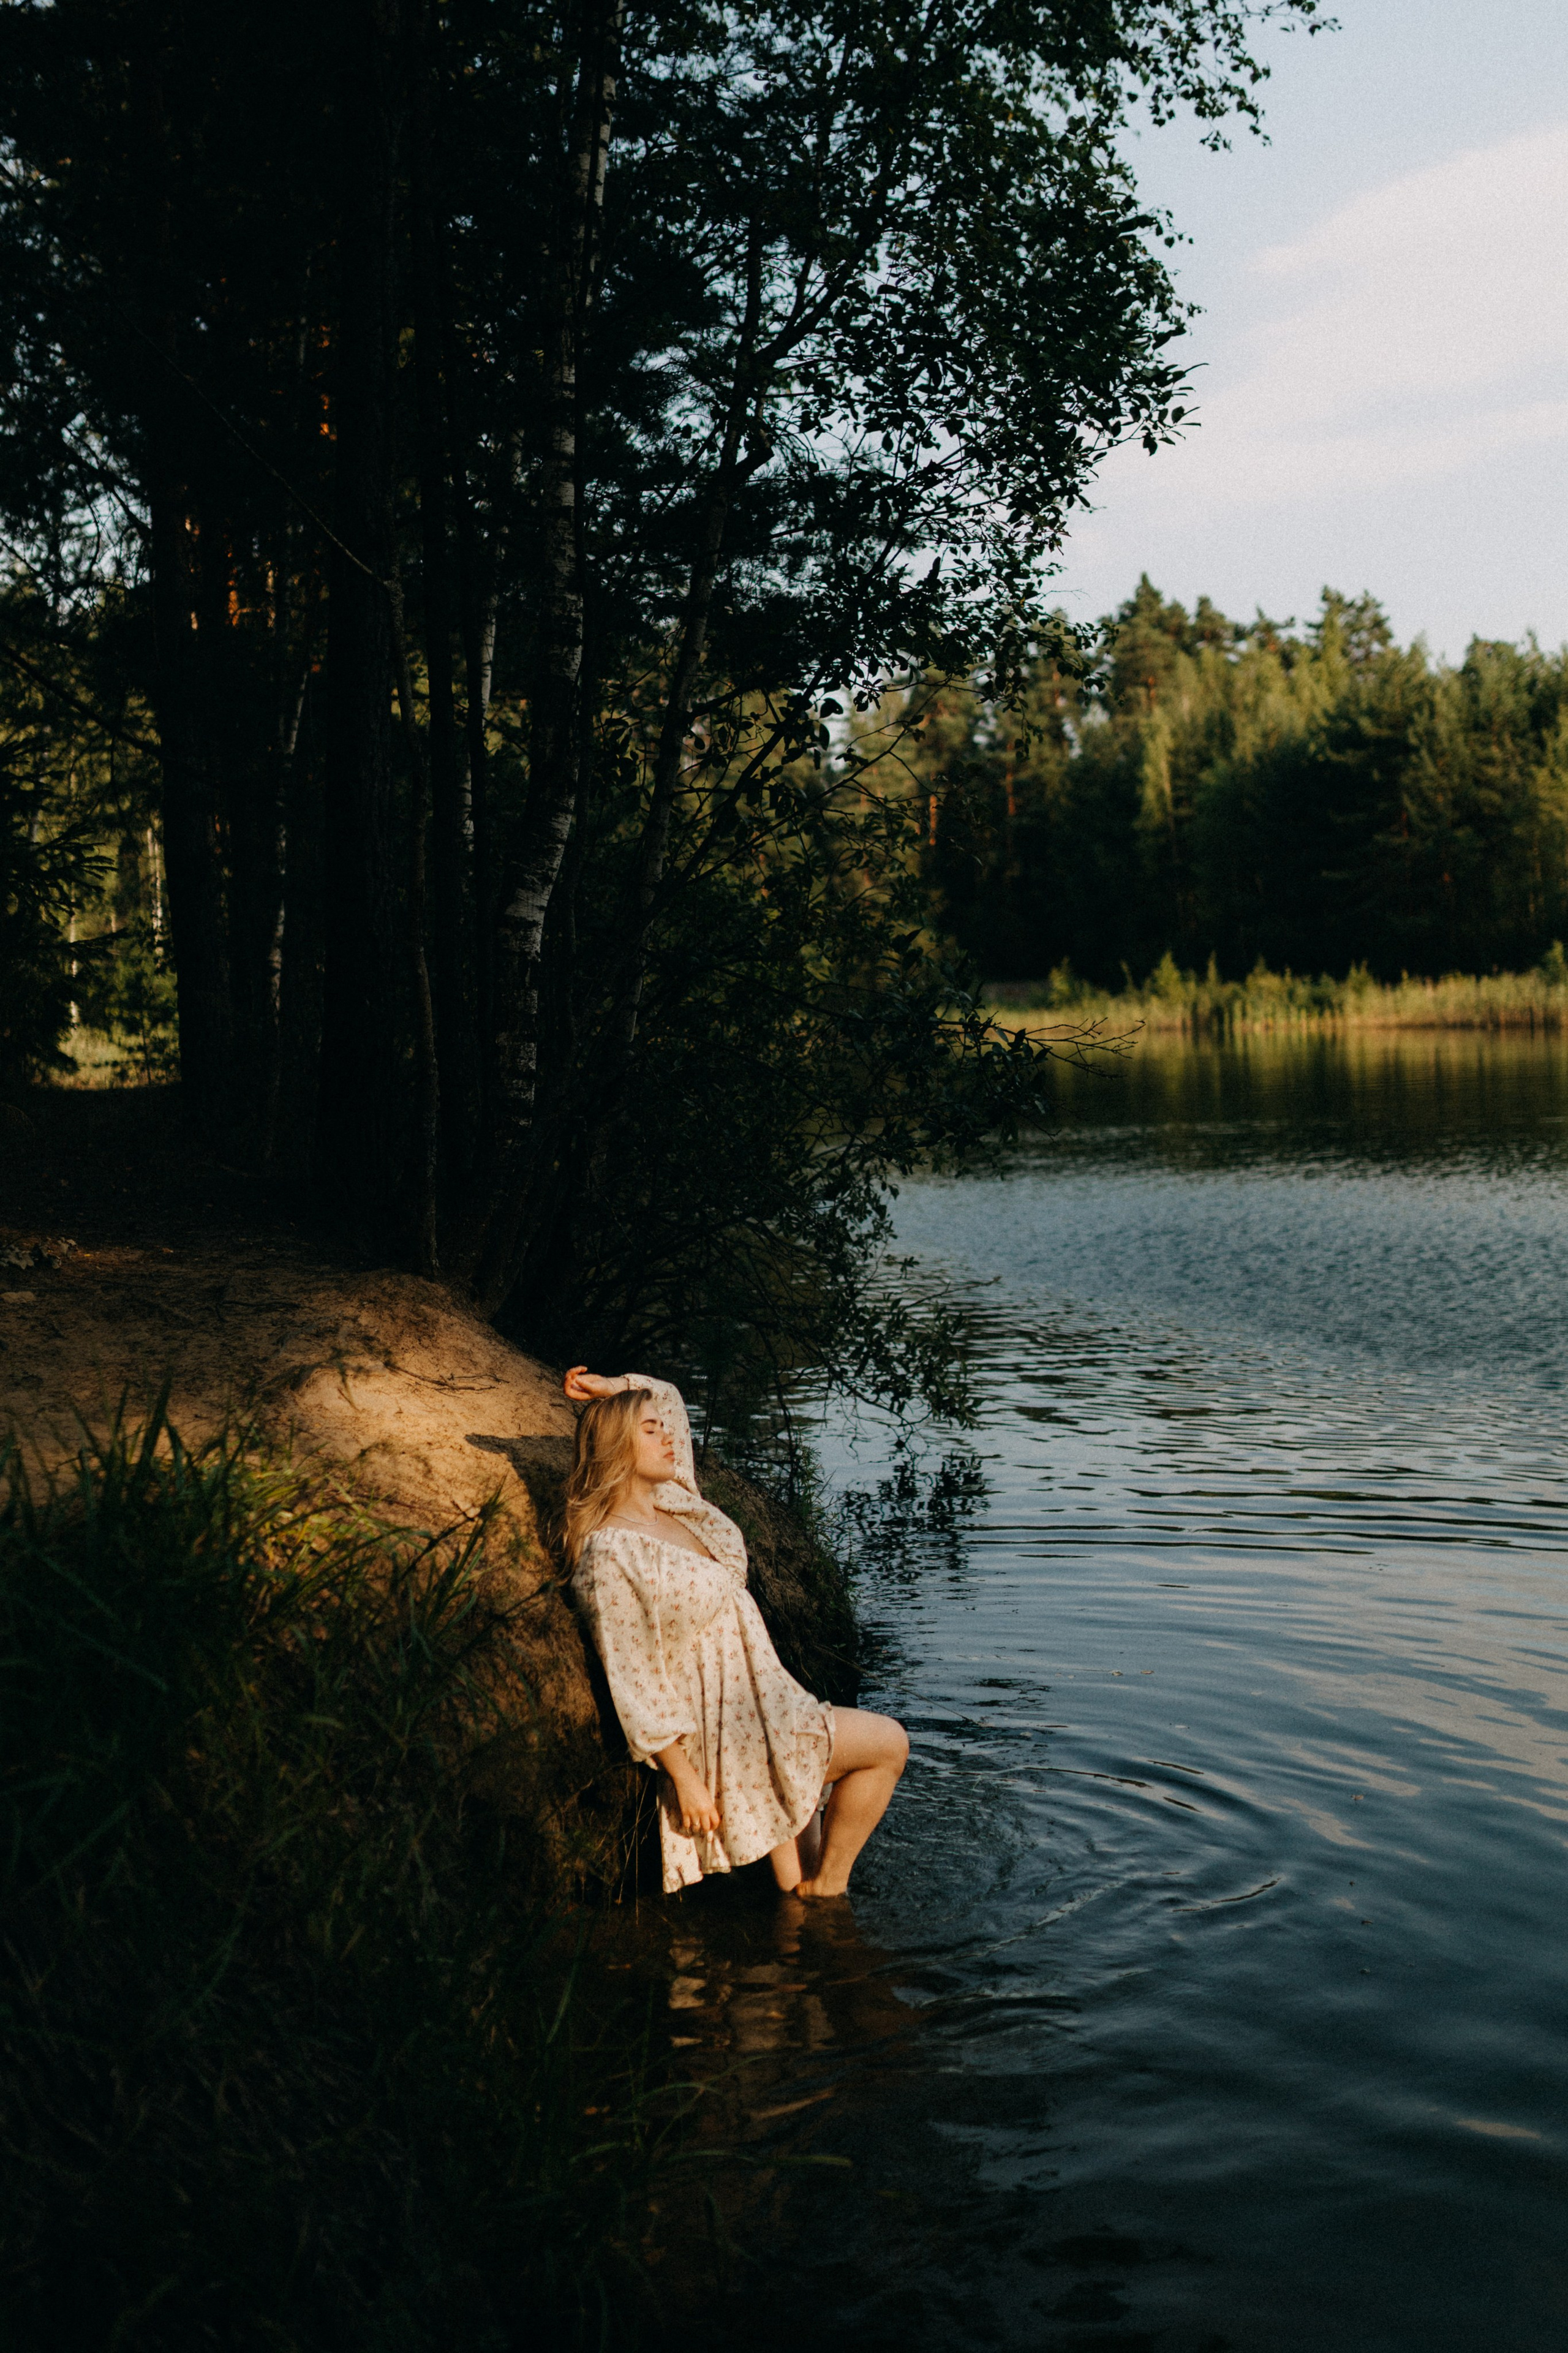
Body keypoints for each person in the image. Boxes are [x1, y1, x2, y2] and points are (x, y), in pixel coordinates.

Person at [562, 1367, 908, 1898]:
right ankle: (830, 1895)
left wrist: (616, 1388)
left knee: (794, 1892)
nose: (668, 1434)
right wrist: (686, 1778)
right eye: (650, 1429)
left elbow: (670, 1400)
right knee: (889, 1743)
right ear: (617, 1445)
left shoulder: (675, 1503)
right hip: (725, 1729)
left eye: (663, 1426)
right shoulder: (610, 1551)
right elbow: (633, 1674)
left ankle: (814, 1919)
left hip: (767, 1703)